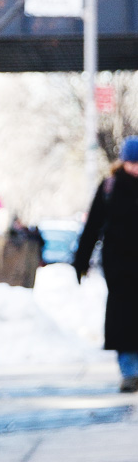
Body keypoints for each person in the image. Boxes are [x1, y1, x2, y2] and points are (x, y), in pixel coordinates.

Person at [75, 136, 138, 393]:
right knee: (124, 319)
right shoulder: (110, 187)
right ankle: (130, 372)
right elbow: (92, 227)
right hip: (119, 266)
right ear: (122, 161)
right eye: (131, 162)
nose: (135, 167)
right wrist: (80, 260)